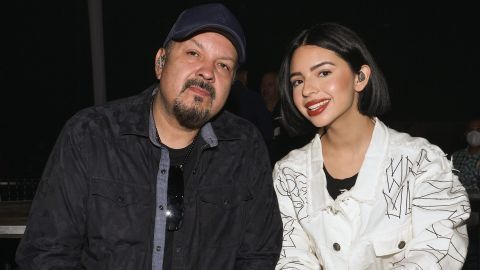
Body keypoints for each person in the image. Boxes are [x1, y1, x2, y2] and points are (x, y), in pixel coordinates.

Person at [16, 3, 282, 270]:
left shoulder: (245, 147)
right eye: (193, 53)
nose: (207, 72)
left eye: (223, 65)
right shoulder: (91, 135)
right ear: (160, 63)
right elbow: (45, 255)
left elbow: (258, 255)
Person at [273, 22, 470, 269]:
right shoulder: (288, 175)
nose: (308, 90)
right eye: (297, 81)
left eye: (323, 73)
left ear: (360, 77)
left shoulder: (422, 163)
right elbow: (290, 257)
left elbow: (437, 253)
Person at [224, 65, 274, 143]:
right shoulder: (253, 101)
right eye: (262, 85)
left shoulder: (284, 115)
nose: (265, 88)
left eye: (270, 85)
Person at [452, 117, 480, 194]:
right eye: (471, 130)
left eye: (478, 130)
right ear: (466, 133)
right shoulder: (455, 156)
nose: (474, 134)